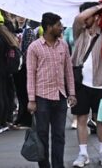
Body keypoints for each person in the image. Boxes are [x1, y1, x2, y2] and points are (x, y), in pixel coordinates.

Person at [26, 13, 76, 168]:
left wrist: (72, 93)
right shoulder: (34, 47)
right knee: (42, 136)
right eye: (58, 25)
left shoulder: (63, 45)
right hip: (42, 98)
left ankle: (58, 165)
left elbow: (68, 71)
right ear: (48, 27)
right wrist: (31, 100)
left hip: (60, 96)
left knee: (59, 135)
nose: (61, 28)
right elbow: (30, 74)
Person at [72, 0, 102, 167]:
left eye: (88, 15)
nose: (85, 18)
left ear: (96, 17)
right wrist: (101, 5)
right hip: (80, 84)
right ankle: (83, 154)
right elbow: (79, 18)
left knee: (101, 120)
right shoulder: (79, 32)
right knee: (81, 118)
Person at [13, 15, 40, 128]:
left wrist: (21, 59)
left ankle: (26, 119)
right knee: (19, 93)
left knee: (25, 92)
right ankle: (21, 117)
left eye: (23, 16)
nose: (21, 18)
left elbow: (29, 50)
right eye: (19, 16)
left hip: (25, 65)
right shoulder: (13, 29)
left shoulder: (29, 31)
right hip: (16, 65)